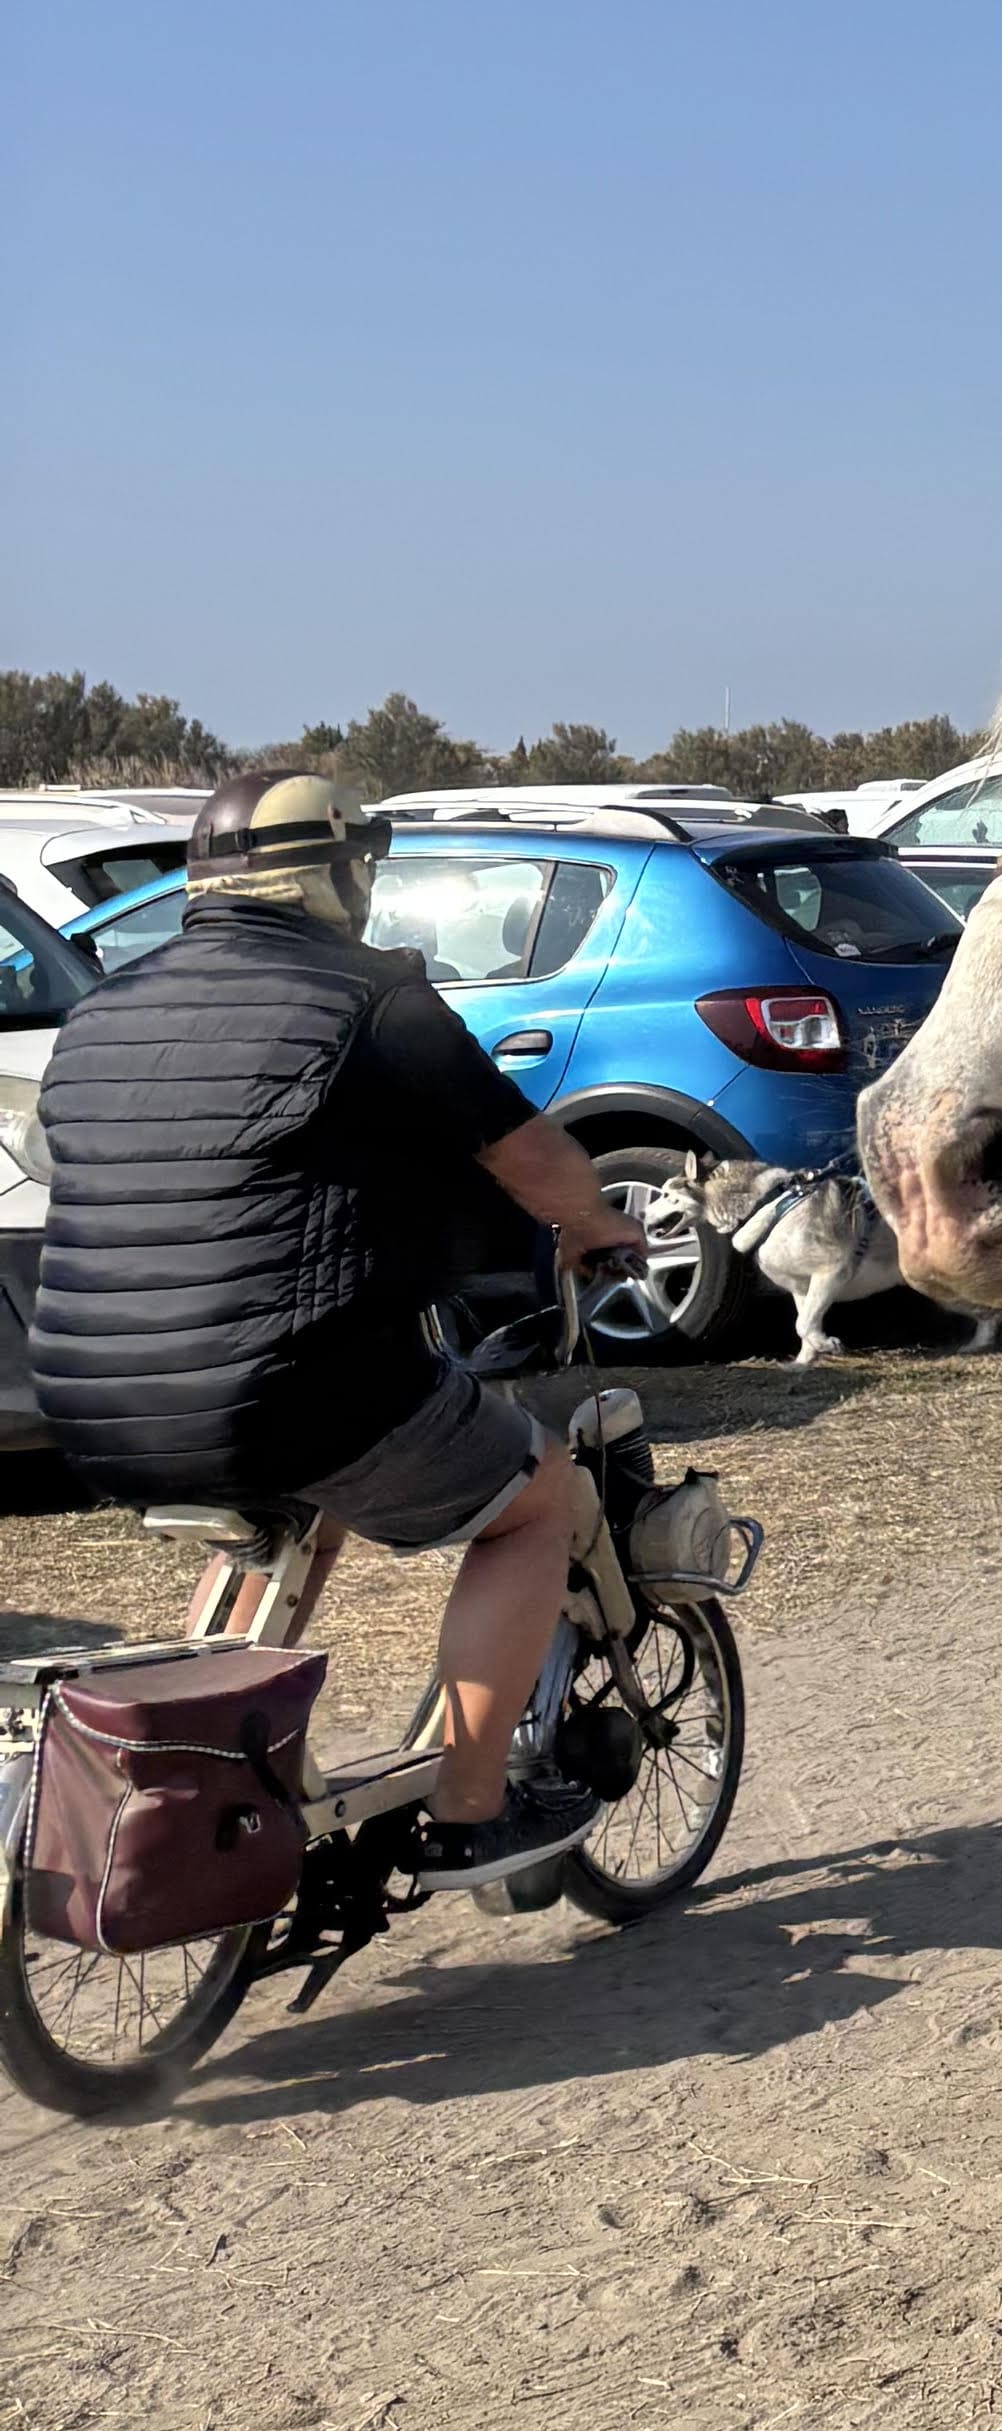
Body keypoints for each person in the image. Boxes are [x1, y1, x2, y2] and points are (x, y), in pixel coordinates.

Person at [27, 769, 654, 1878]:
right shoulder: (372, 996)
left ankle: (212, 1789)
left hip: (85, 1396)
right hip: (284, 1386)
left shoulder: (103, 1008)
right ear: (333, 874)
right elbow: (528, 1155)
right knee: (535, 1504)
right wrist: (599, 1227)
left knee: (292, 1499)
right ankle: (470, 1809)